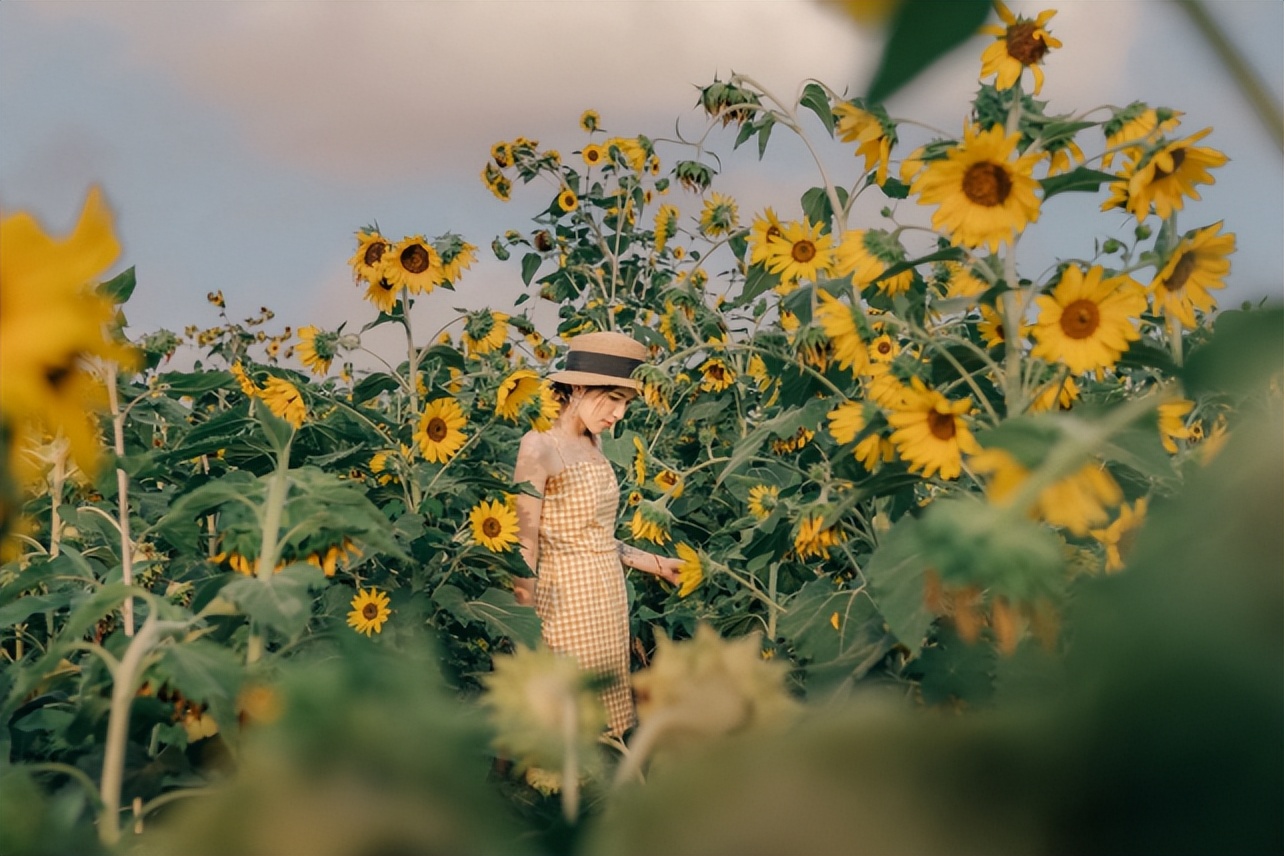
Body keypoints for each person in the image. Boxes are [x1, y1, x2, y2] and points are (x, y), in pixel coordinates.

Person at [511, 330, 682, 738]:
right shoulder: (538, 446)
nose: (619, 414)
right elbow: (524, 544)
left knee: (609, 720)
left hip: (605, 599)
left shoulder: (593, 442)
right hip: (561, 602)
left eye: (626, 403)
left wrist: (658, 565)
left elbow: (594, 535)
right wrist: (522, 629)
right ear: (579, 388)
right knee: (565, 721)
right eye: (614, 399)